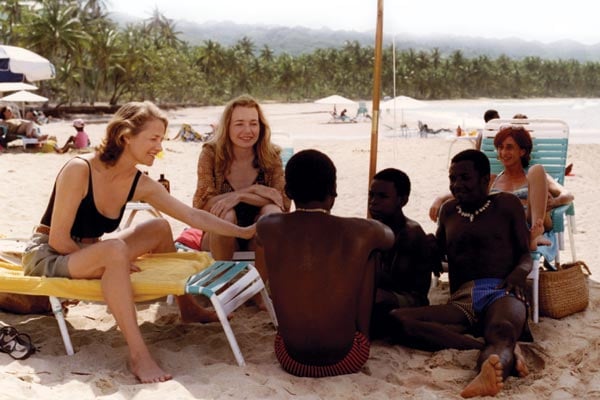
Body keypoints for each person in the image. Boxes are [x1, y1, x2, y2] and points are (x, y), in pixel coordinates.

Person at [21, 101, 255, 384]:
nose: (159, 146)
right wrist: (110, 259)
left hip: (90, 250)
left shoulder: (138, 181)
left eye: (161, 139)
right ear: (125, 137)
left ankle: (189, 310)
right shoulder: (80, 169)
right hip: (50, 252)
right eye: (153, 139)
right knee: (116, 250)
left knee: (158, 227)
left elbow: (191, 215)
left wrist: (243, 232)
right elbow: (59, 239)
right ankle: (138, 355)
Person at [391, 149, 532, 398]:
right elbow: (439, 251)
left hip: (502, 290)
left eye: (464, 178)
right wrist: (426, 246)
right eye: (452, 179)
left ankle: (486, 370)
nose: (457, 185)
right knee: (398, 319)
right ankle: (482, 344)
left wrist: (519, 273)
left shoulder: (506, 205)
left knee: (501, 329)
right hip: (463, 298)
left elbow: (525, 254)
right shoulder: (448, 211)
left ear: (485, 179)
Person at [256, 149, 394, 377]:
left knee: (278, 250)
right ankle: (364, 336)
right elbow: (389, 238)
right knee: (370, 254)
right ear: (333, 192)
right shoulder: (362, 231)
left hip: (289, 356)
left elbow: (261, 238)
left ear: (288, 191)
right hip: (349, 357)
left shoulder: (268, 226)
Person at [430, 125, 574, 255]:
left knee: (537, 169)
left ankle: (534, 235)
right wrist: (439, 199)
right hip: (504, 225)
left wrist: (555, 202)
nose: (503, 152)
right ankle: (528, 237)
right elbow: (465, 191)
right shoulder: (492, 179)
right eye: (500, 147)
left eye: (509, 147)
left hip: (534, 222)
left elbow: (568, 195)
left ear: (522, 151)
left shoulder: (536, 176)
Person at [192, 94, 290, 283]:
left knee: (271, 213)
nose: (248, 130)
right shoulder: (211, 154)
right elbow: (202, 205)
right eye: (239, 124)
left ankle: (259, 287)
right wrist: (252, 192)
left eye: (253, 123)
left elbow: (283, 203)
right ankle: (222, 284)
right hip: (219, 236)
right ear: (227, 126)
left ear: (261, 126)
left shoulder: (271, 155)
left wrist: (242, 196)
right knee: (226, 213)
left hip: (259, 237)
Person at [368, 168, 441, 338]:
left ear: (402, 200)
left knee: (373, 299)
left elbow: (395, 282)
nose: (373, 202)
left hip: (411, 300)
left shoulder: (409, 233)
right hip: (387, 294)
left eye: (382, 196)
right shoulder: (377, 227)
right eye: (371, 195)